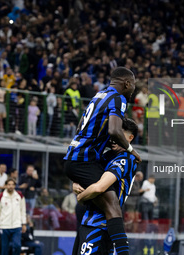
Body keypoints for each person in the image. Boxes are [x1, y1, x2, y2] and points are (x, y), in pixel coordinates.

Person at [64, 67, 140, 255]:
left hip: (77, 157)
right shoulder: (118, 98)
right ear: (127, 83)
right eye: (133, 87)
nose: (133, 91)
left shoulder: (99, 95)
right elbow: (114, 130)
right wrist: (132, 151)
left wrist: (76, 178)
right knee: (112, 205)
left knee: (95, 204)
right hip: (85, 159)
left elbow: (82, 127)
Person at [73, 117, 138, 255]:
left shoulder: (126, 158)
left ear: (130, 138)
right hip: (89, 221)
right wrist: (76, 182)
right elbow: (86, 174)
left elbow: (99, 187)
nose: (114, 138)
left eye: (119, 134)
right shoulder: (107, 155)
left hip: (101, 224)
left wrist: (81, 196)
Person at [0, 178, 26, 255]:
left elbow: (23, 211)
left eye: (12, 185)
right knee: (4, 248)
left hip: (16, 225)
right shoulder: (0, 197)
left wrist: (24, 223)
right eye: (9, 184)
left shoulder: (19, 196)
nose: (11, 186)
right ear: (6, 185)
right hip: (4, 226)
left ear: (15, 186)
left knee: (17, 246)